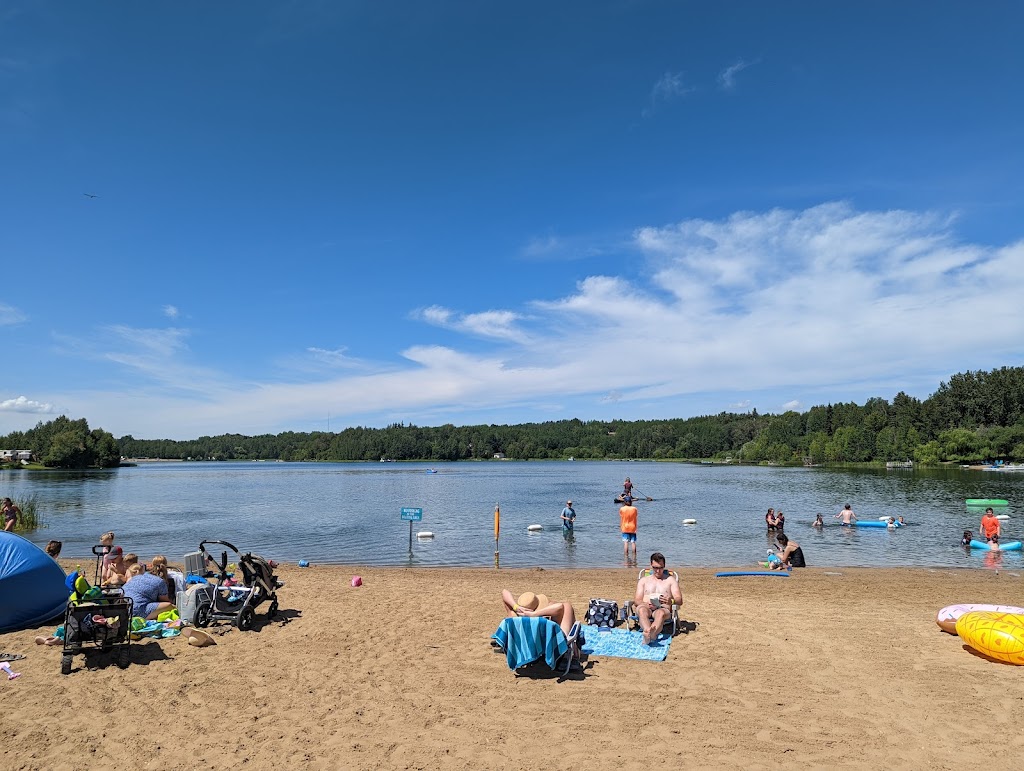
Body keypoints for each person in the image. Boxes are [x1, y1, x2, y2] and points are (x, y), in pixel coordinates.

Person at [634, 552, 682, 645]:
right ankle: (649, 633)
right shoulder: (644, 580)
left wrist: (671, 601)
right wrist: (645, 604)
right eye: (655, 568)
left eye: (660, 568)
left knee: (660, 613)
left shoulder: (670, 580)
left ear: (664, 566)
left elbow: (679, 600)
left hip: (663, 608)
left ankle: (651, 634)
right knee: (641, 610)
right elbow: (637, 600)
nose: (658, 571)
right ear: (651, 565)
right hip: (646, 607)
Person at [500, 590, 577, 637]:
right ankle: (575, 650)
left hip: (526, 645)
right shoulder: (541, 622)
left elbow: (504, 592)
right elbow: (560, 607)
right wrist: (534, 614)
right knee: (567, 605)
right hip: (552, 644)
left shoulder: (514, 619)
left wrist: (516, 607)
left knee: (555, 605)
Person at [619, 496, 639, 562]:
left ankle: (626, 556)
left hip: (625, 526)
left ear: (625, 502)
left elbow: (621, 516)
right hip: (633, 526)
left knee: (626, 542)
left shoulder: (622, 509)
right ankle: (634, 557)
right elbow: (636, 516)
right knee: (633, 542)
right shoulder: (634, 509)